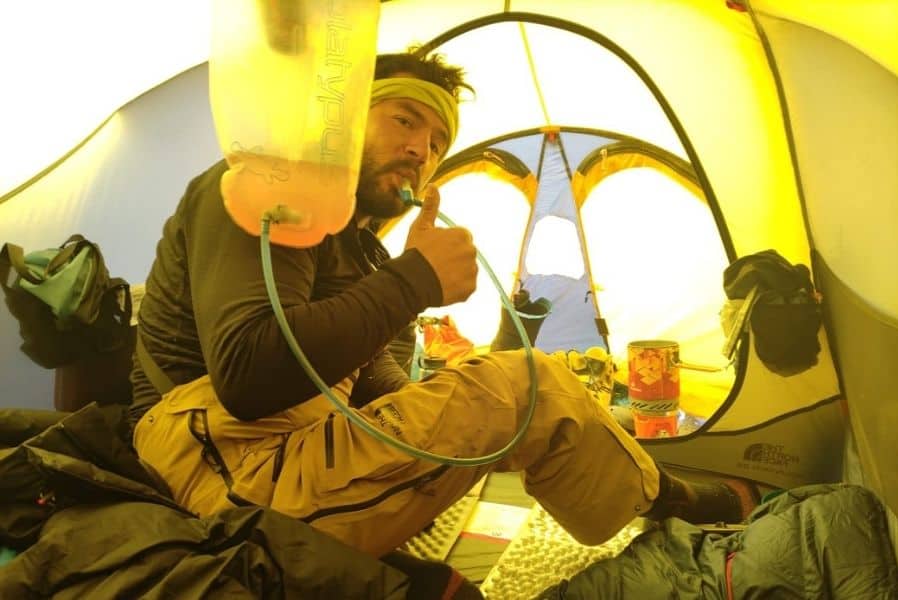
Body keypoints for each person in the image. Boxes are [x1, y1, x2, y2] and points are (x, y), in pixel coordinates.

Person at [130, 49, 756, 558]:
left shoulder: (361, 252)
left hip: (294, 454)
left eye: (436, 145)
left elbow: (374, 388)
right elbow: (246, 374)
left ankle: (653, 508)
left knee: (524, 389)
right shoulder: (262, 189)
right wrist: (417, 283)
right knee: (527, 385)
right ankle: (677, 503)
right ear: (345, 118)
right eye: (404, 121)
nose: (420, 152)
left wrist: (451, 396)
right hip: (215, 465)